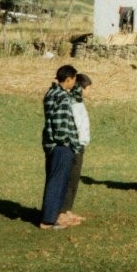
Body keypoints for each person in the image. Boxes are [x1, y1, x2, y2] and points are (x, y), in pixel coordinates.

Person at [40, 64, 81, 230]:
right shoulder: (63, 98)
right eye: (74, 80)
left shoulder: (51, 93)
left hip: (51, 144)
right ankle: (49, 220)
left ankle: (51, 214)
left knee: (53, 179)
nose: (75, 84)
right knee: (58, 182)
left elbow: (76, 95)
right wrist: (67, 142)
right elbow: (61, 123)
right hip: (61, 146)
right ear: (69, 79)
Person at [60, 72, 92, 226]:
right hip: (74, 145)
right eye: (88, 88)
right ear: (81, 87)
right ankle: (62, 212)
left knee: (74, 179)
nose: (89, 91)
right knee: (68, 178)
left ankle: (68, 210)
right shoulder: (72, 102)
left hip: (80, 145)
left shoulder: (79, 102)